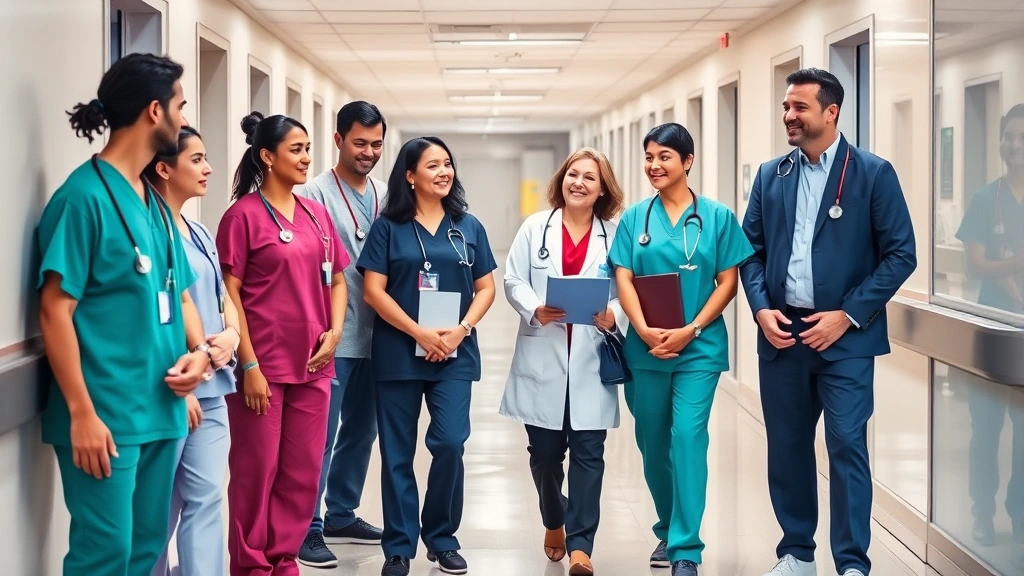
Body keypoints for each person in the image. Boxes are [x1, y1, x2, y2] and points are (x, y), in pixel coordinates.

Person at [37, 52, 212, 575]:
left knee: (144, 551)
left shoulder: (154, 202)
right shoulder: (83, 199)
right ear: (155, 111)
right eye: (180, 106)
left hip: (161, 410)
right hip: (106, 418)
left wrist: (199, 358)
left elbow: (177, 297)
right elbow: (54, 311)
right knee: (104, 555)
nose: (184, 119)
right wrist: (81, 414)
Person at [739, 68, 917, 576]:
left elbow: (901, 255)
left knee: (846, 444)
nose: (788, 116)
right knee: (788, 446)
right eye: (786, 107)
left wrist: (848, 315)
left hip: (846, 341)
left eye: (799, 107)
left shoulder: (872, 173)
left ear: (831, 112)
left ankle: (851, 562)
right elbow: (749, 252)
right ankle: (797, 551)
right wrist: (760, 308)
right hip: (783, 336)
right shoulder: (773, 175)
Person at [608, 123, 753, 576]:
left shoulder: (716, 217)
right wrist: (645, 330)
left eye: (664, 157)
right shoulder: (636, 219)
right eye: (649, 156)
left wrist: (690, 329)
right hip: (646, 348)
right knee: (652, 443)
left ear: (687, 162)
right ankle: (668, 526)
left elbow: (727, 282)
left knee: (688, 439)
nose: (654, 165)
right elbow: (623, 277)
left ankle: (686, 548)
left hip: (699, 348)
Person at [216, 112, 349, 576]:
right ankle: (252, 566)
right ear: (267, 156)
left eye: (308, 148)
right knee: (257, 473)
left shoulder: (316, 214)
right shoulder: (242, 216)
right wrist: (248, 366)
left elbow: (337, 280)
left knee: (302, 472)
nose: (306, 157)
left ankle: (283, 560)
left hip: (314, 363)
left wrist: (334, 332)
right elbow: (228, 293)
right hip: (263, 367)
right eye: (296, 149)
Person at [357, 136, 497, 576]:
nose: (444, 171)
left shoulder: (467, 225)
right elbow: (372, 290)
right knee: (397, 453)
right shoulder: (387, 227)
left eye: (448, 164)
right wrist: (418, 331)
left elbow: (486, 286)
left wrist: (460, 330)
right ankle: (399, 546)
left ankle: (441, 536)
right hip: (400, 351)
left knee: (451, 443)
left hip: (454, 353)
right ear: (410, 175)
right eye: (432, 165)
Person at [501, 147, 626, 576]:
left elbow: (624, 290)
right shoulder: (535, 228)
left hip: (592, 357)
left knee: (590, 454)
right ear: (562, 179)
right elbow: (513, 278)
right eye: (574, 174)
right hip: (544, 353)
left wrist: (615, 315)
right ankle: (554, 520)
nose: (579, 183)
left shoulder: (615, 234)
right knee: (546, 455)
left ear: (602, 188)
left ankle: (581, 546)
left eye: (590, 178)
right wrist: (534, 307)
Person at [297, 101, 388, 568]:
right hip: (330, 339)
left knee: (361, 432)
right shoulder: (311, 196)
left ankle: (341, 512)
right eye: (359, 143)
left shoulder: (387, 194)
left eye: (376, 144)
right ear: (337, 140)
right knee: (320, 436)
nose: (369, 152)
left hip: (381, 338)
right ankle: (307, 526)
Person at [146, 126, 241, 576]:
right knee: (158, 511)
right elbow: (154, 315)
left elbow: (224, 300)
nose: (208, 168)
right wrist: (184, 383)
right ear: (164, 168)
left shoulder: (200, 231)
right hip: (170, 388)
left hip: (213, 385)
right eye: (197, 159)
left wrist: (233, 336)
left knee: (206, 499)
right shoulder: (147, 230)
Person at [953, 103, 1024, 547]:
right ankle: (982, 512)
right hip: (993, 327)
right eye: (1008, 138)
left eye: (1022, 139)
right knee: (986, 429)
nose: (1014, 146)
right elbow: (975, 264)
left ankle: (1019, 516)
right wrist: (1013, 269)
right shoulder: (986, 198)